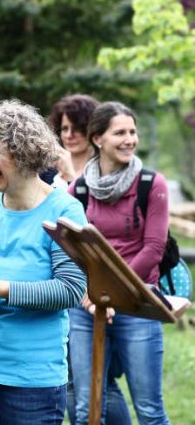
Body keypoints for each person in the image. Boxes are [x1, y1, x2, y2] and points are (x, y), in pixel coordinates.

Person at [0, 100, 87, 424]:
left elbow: (70, 289)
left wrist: (4, 291)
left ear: (23, 151)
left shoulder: (64, 211)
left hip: (34, 381)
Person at [68, 102, 171, 425]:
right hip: (89, 306)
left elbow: (154, 248)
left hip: (139, 300)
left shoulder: (151, 185)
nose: (130, 139)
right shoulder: (80, 189)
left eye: (132, 132)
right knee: (86, 409)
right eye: (120, 133)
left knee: (149, 410)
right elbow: (70, 250)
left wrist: (112, 290)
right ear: (97, 139)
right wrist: (92, 292)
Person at [48, 94, 100, 187]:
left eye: (77, 129)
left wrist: (71, 178)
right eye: (64, 128)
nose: (69, 135)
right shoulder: (48, 171)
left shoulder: (102, 171)